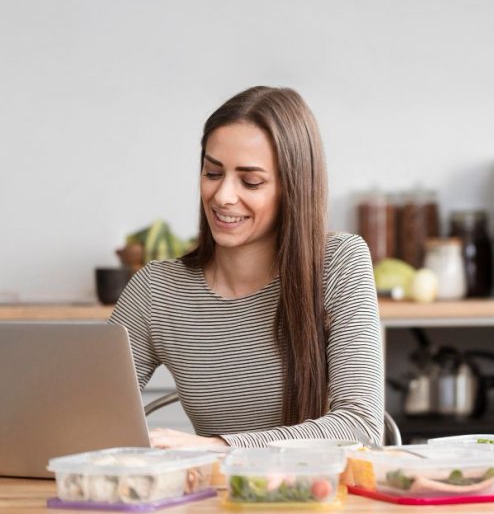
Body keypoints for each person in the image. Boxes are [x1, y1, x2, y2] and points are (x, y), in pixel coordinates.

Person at [110, 86, 384, 448]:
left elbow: (361, 428)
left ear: (293, 188)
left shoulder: (338, 262)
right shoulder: (157, 289)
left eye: (250, 180)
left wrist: (219, 447)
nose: (223, 196)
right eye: (212, 173)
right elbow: (82, 411)